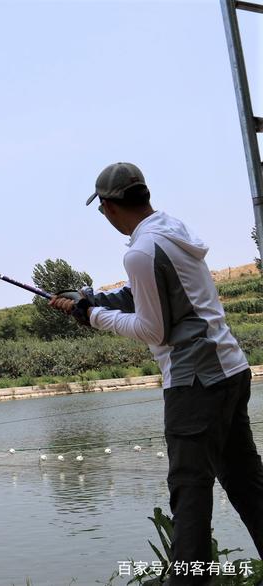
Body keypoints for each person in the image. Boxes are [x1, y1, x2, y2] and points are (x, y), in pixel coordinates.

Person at [50, 162, 263, 584]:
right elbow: (147, 292)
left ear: (109, 208)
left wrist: (90, 316)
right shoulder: (169, 229)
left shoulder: (140, 251)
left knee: (189, 491)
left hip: (195, 382)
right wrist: (90, 297)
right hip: (229, 369)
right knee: (245, 482)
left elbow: (153, 329)